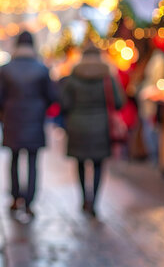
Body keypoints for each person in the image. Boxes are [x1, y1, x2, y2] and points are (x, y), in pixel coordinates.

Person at [0, 31, 57, 218]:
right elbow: (53, 96)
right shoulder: (42, 69)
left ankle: (15, 197)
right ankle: (29, 201)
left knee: (13, 159)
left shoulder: (6, 69)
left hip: (12, 119)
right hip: (35, 121)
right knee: (32, 161)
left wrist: (4, 108)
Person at [61, 43, 124, 217]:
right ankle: (94, 202)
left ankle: (84, 198)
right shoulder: (107, 76)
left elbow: (64, 103)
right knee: (98, 164)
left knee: (80, 163)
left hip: (77, 125)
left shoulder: (73, 76)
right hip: (100, 126)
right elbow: (119, 102)